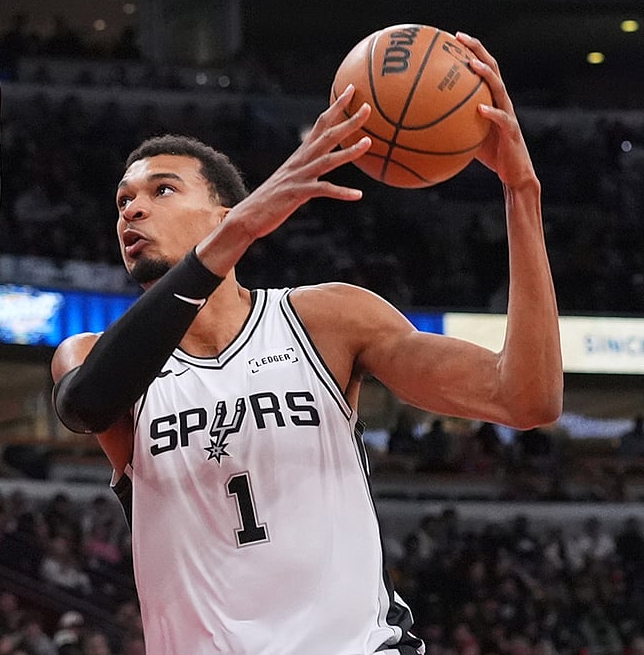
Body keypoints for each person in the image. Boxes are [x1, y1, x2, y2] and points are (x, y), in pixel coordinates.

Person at [51, 32, 562, 654]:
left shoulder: (328, 320)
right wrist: (234, 235)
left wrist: (522, 194)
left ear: (224, 212)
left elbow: (525, 399)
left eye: (162, 191)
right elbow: (86, 404)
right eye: (123, 200)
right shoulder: (88, 355)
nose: (131, 211)